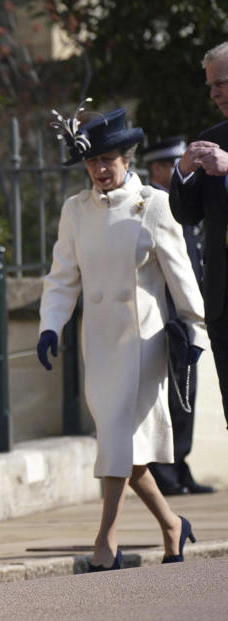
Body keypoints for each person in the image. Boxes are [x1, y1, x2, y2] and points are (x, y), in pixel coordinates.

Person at [37, 106, 207, 570]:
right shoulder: (75, 211)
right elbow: (61, 277)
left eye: (109, 159)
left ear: (127, 159)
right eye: (93, 161)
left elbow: (180, 274)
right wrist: (51, 324)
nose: (100, 169)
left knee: (116, 437)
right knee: (125, 449)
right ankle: (172, 525)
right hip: (101, 345)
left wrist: (193, 327)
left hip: (143, 343)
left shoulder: (153, 204)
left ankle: (105, 540)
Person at [143, 137, 215, 495]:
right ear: (157, 168)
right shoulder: (151, 202)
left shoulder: (182, 199)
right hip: (163, 313)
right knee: (168, 395)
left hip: (186, 312)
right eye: (172, 164)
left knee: (186, 392)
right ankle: (165, 474)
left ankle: (180, 465)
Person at [170, 40, 228, 432]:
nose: (214, 93)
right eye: (210, 86)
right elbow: (186, 214)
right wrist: (184, 171)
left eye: (221, 83)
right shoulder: (213, 137)